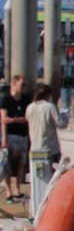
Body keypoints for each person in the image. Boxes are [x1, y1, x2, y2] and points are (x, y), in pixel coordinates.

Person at [1, 75, 30, 203]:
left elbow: (27, 118)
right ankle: (8, 192)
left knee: (21, 164)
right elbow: (3, 120)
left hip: (22, 135)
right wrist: (3, 139)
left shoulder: (26, 99)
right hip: (10, 135)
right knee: (7, 164)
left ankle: (17, 190)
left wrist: (13, 120)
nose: (24, 87)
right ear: (14, 83)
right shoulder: (6, 99)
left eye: (25, 85)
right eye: (22, 84)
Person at [26, 83, 66, 166]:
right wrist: (65, 116)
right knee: (53, 176)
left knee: (37, 176)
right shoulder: (50, 107)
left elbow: (27, 119)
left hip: (35, 148)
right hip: (50, 149)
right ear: (48, 95)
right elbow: (61, 124)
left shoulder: (30, 107)